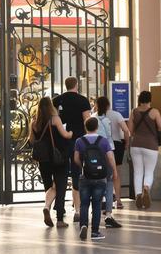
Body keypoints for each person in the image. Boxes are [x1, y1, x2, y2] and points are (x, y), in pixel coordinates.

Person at [31, 98, 73, 228]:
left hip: (43, 159)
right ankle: (59, 219)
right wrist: (71, 133)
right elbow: (65, 135)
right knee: (60, 187)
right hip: (58, 157)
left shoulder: (34, 123)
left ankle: (47, 207)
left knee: (49, 187)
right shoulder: (55, 119)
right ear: (51, 106)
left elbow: (31, 140)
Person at [53, 78, 92, 213]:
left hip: (61, 141)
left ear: (66, 85)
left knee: (61, 174)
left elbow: (53, 119)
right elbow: (87, 120)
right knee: (76, 174)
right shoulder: (83, 100)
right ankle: (78, 209)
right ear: (77, 85)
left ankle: (59, 206)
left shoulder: (57, 100)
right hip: (78, 141)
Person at [74, 117, 115, 241]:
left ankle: (83, 225)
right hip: (100, 177)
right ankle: (95, 232)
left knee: (84, 203)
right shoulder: (103, 141)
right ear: (97, 127)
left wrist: (83, 167)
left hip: (85, 176)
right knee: (97, 204)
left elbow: (76, 159)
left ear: (85, 127)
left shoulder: (79, 141)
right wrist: (114, 171)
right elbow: (110, 158)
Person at [94, 96, 127, 227]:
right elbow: (109, 137)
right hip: (108, 150)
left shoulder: (92, 118)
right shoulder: (109, 119)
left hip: (95, 152)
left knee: (96, 182)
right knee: (109, 182)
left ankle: (96, 212)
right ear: (108, 105)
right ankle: (109, 213)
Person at [128, 91, 161, 209]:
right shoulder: (155, 112)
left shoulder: (134, 111)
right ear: (150, 99)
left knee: (138, 172)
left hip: (136, 144)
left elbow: (130, 130)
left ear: (140, 99)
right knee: (149, 171)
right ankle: (146, 188)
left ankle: (138, 194)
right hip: (151, 145)